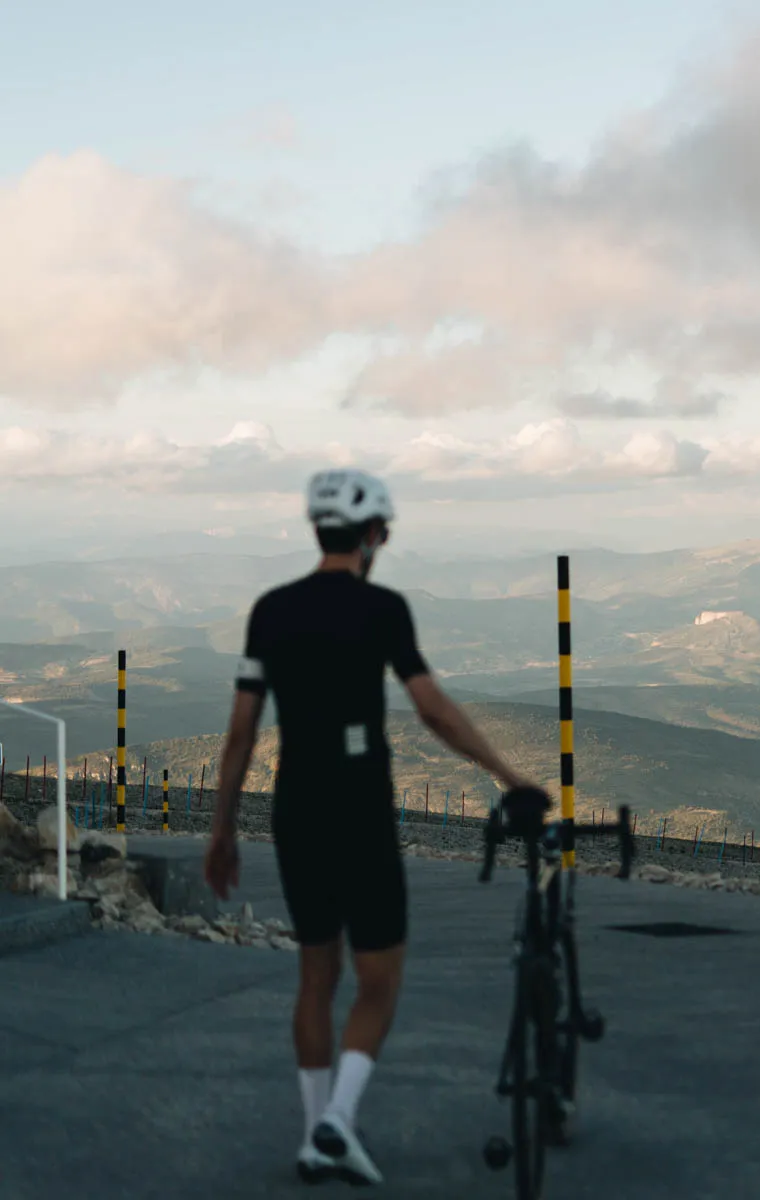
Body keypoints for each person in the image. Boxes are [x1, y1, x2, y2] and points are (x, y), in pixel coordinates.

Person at [203, 468, 533, 1185]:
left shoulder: (271, 611)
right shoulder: (383, 609)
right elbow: (434, 710)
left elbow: (239, 733)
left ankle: (313, 1132)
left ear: (318, 530)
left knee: (314, 974)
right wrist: (510, 778)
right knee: (379, 980)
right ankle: (337, 1119)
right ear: (375, 535)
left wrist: (222, 829)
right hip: (359, 808)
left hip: (294, 807)